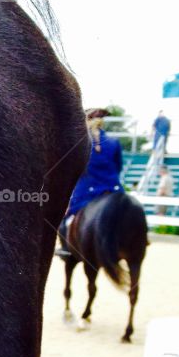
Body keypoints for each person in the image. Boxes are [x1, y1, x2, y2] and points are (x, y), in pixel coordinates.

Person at [56, 109, 124, 257]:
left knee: (65, 218)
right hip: (113, 189)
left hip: (87, 190)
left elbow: (74, 168)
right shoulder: (114, 142)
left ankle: (66, 248)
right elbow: (119, 167)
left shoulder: (80, 143)